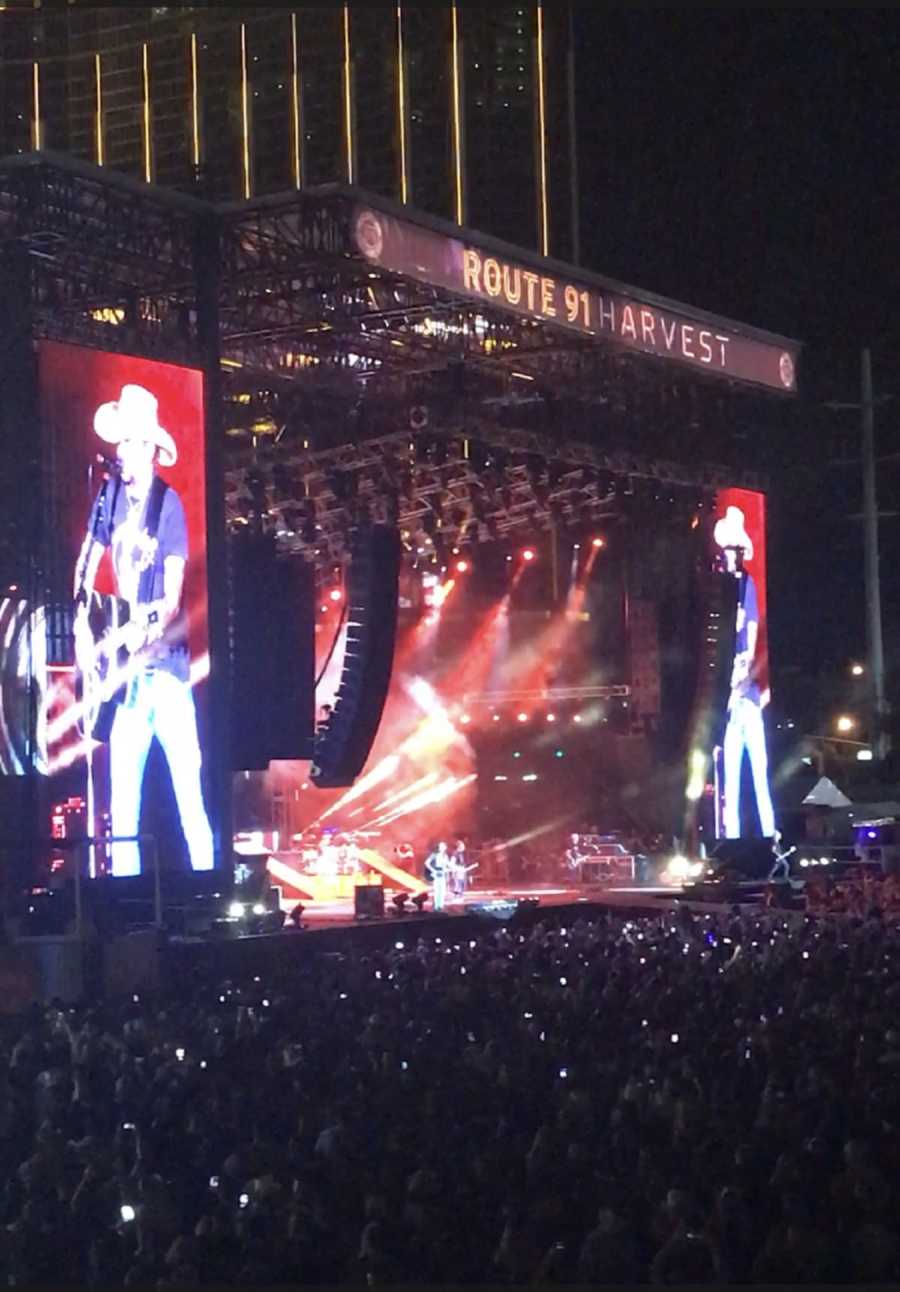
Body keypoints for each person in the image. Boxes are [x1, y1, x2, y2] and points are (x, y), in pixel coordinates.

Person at [73, 384, 214, 876]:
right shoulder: (107, 496)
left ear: (151, 450)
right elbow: (85, 565)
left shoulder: (167, 505)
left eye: (133, 443)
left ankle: (207, 888)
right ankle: (126, 900)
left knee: (188, 797)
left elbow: (173, 597)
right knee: (124, 806)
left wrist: (142, 626)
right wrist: (82, 625)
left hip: (168, 677)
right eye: (122, 442)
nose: (124, 452)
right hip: (126, 681)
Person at [714, 505, 776, 840]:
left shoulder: (746, 583)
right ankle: (731, 835)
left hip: (746, 697)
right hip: (729, 700)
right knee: (731, 773)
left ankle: (769, 832)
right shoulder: (718, 588)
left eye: (735, 550)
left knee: (759, 769)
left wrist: (744, 674)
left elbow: (751, 628)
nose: (731, 555)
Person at [424, 841, 450, 912]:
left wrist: (448, 869)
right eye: (440, 846)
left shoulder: (445, 856)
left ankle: (440, 907)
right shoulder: (434, 854)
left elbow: (448, 865)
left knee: (442, 891)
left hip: (443, 874)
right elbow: (426, 863)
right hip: (436, 874)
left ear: (445, 847)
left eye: (443, 846)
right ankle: (436, 907)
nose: (442, 848)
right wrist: (433, 870)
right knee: (437, 890)